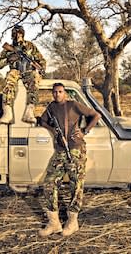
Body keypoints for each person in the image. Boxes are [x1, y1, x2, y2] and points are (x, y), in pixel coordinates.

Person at [38, 82, 101, 237]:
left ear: (65, 93)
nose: (57, 94)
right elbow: (42, 120)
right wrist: (53, 131)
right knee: (49, 183)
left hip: (76, 150)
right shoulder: (52, 107)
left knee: (76, 185)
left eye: (60, 92)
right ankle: (54, 223)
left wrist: (84, 131)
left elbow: (96, 115)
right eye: (55, 92)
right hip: (60, 151)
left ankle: (72, 222)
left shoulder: (73, 105)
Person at [0, 24, 46, 124]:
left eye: (20, 33)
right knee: (10, 78)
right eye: (15, 34)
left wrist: (41, 69)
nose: (18, 36)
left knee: (34, 79)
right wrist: (8, 59)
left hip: (28, 72)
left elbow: (41, 60)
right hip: (15, 72)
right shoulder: (8, 49)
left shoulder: (30, 46)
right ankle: (8, 113)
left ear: (23, 34)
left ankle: (29, 112)